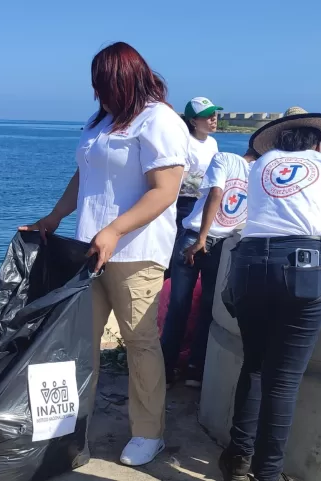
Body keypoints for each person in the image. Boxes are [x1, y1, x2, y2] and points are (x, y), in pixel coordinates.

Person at [20, 41, 189, 467]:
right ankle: (72, 426)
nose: (99, 93)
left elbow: (165, 191)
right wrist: (55, 216)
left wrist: (114, 229)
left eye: (105, 84)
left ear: (126, 79)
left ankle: (149, 432)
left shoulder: (158, 119)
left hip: (136, 251)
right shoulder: (102, 120)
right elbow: (86, 174)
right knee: (79, 343)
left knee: (140, 342)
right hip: (87, 250)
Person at [217, 107, 321, 481]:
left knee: (255, 364)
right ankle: (268, 473)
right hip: (305, 265)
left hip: (248, 261)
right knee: (284, 378)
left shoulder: (260, 166)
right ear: (318, 143)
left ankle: (237, 456)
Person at [160, 147, 256, 388]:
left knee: (178, 306)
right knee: (208, 308)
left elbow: (215, 191)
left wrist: (202, 237)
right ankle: (195, 369)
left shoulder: (224, 158)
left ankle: (165, 369)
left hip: (194, 237)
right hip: (222, 242)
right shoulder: (261, 172)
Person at [176, 97, 222, 239]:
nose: (213, 118)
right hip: (187, 205)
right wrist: (211, 185)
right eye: (207, 116)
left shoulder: (212, 142)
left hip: (206, 202)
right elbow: (179, 181)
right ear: (193, 121)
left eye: (214, 114)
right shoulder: (184, 142)